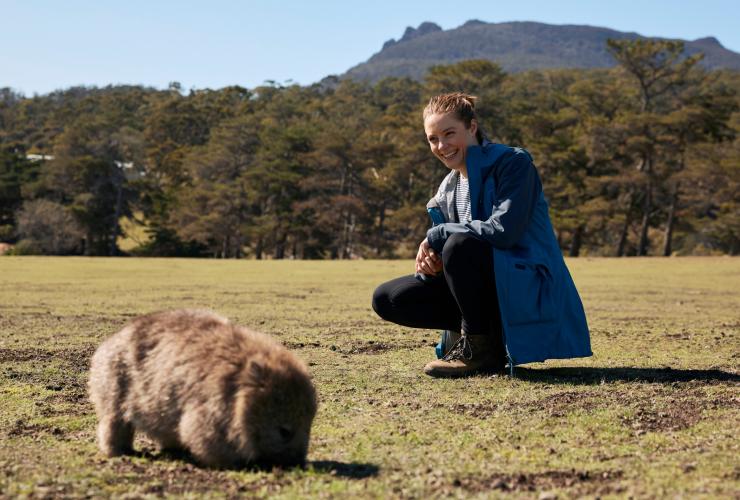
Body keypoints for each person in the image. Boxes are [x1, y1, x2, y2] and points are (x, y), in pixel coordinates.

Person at [372, 92, 591, 378]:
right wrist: (433, 266)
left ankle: (480, 351)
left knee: (459, 244)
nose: (442, 145)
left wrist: (439, 236)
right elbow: (460, 259)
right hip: (488, 292)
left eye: (450, 133)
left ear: (472, 127)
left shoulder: (513, 163)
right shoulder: (447, 189)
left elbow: (503, 232)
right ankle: (491, 337)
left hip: (525, 285)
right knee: (389, 298)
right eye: (433, 139)